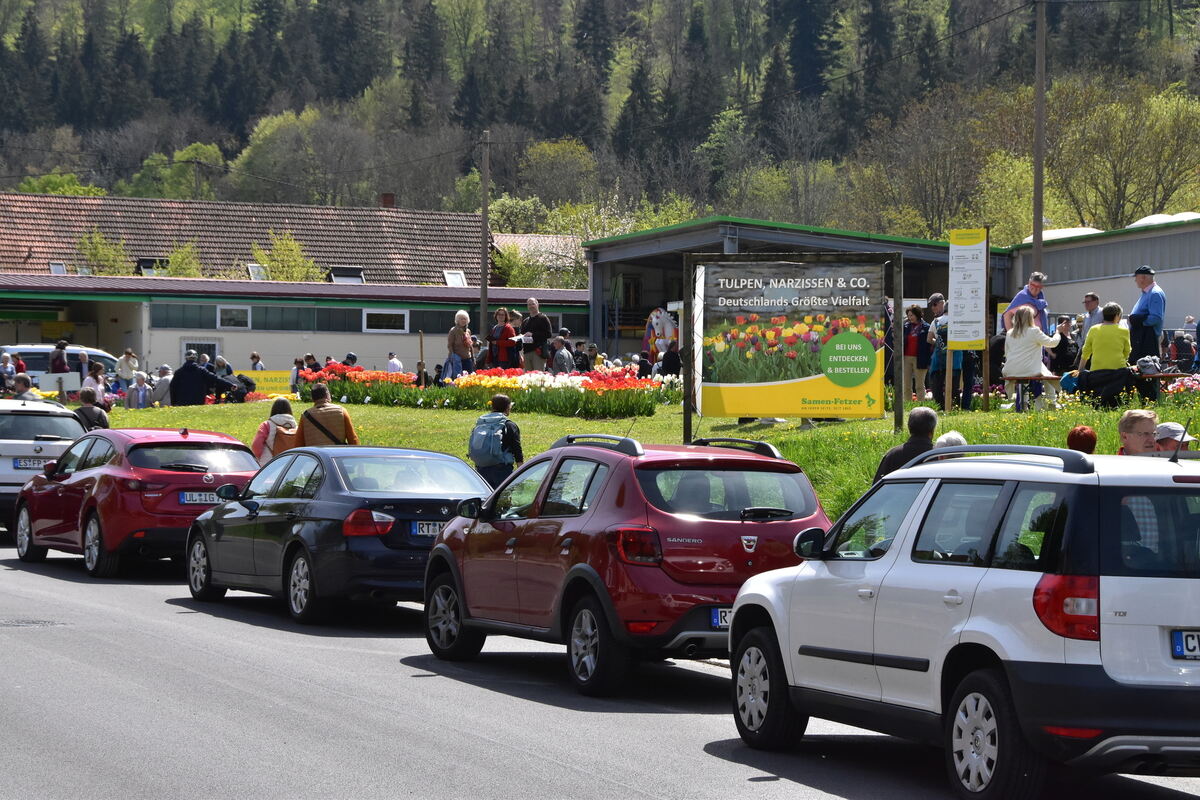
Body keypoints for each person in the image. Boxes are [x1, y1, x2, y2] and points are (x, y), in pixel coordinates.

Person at [1002, 306, 1064, 409]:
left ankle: (1023, 404)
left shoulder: (1009, 333)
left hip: (1011, 368)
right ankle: (1051, 402)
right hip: (1030, 368)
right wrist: (1057, 332)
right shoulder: (1034, 331)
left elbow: (1007, 352)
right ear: (1030, 318)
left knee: (1024, 380)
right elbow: (1052, 343)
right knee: (1049, 377)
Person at [1079, 301, 1133, 408]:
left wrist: (1080, 370)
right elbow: (1127, 351)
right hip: (1118, 372)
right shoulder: (1124, 330)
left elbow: (1086, 352)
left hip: (1097, 372)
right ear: (1117, 316)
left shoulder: (1094, 329)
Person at [468, 394, 524, 488]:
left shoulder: (481, 422)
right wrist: (521, 470)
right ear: (507, 408)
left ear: (492, 406)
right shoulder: (509, 425)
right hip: (502, 468)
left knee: (487, 498)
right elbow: (516, 448)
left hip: (481, 467)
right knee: (502, 500)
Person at [1128, 265, 1167, 399]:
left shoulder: (1154, 293)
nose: (1135, 281)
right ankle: (1146, 400)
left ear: (1143, 277)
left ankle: (1151, 400)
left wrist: (1138, 321)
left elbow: (1156, 318)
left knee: (1147, 372)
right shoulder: (1147, 293)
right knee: (1142, 373)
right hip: (1142, 338)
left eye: (1137, 278)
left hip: (1147, 339)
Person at [874, 407, 938, 482]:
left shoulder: (893, 455)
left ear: (909, 427)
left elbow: (877, 486)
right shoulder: (938, 456)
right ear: (932, 430)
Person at [926, 294, 962, 408]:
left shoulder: (936, 321)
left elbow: (929, 339)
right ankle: (955, 407)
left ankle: (940, 406)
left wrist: (939, 342)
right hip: (955, 358)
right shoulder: (958, 321)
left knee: (937, 384)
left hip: (939, 359)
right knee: (954, 385)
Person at [170, 350, 236, 406]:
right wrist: (230, 385)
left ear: (186, 358)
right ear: (196, 358)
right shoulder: (201, 370)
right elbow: (216, 378)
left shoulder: (179, 372)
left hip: (182, 401)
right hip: (198, 401)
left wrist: (173, 402)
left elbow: (172, 387)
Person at [251, 397, 301, 466]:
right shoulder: (296, 426)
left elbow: (256, 446)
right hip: (290, 464)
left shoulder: (267, 425)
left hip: (270, 464)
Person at [901, 304, 931, 401]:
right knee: (906, 385)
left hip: (921, 358)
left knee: (919, 385)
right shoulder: (906, 327)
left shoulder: (926, 327)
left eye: (912, 315)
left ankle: (921, 405)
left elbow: (929, 345)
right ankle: (907, 405)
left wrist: (928, 360)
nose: (910, 318)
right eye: (908, 315)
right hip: (906, 358)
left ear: (917, 314)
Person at [519, 297, 553, 371]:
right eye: (529, 304)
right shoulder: (525, 321)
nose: (531, 306)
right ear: (527, 307)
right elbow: (522, 336)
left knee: (538, 377)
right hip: (526, 352)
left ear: (537, 305)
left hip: (538, 352)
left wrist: (532, 334)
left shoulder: (543, 318)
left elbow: (548, 334)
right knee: (528, 377)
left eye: (533, 304)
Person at [446, 309, 475, 380]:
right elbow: (450, 345)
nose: (463, 321)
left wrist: (473, 358)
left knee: (469, 379)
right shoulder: (453, 331)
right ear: (457, 320)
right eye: (461, 319)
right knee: (458, 379)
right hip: (457, 360)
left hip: (468, 359)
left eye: (465, 319)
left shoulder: (468, 331)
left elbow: (470, 346)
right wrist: (452, 357)